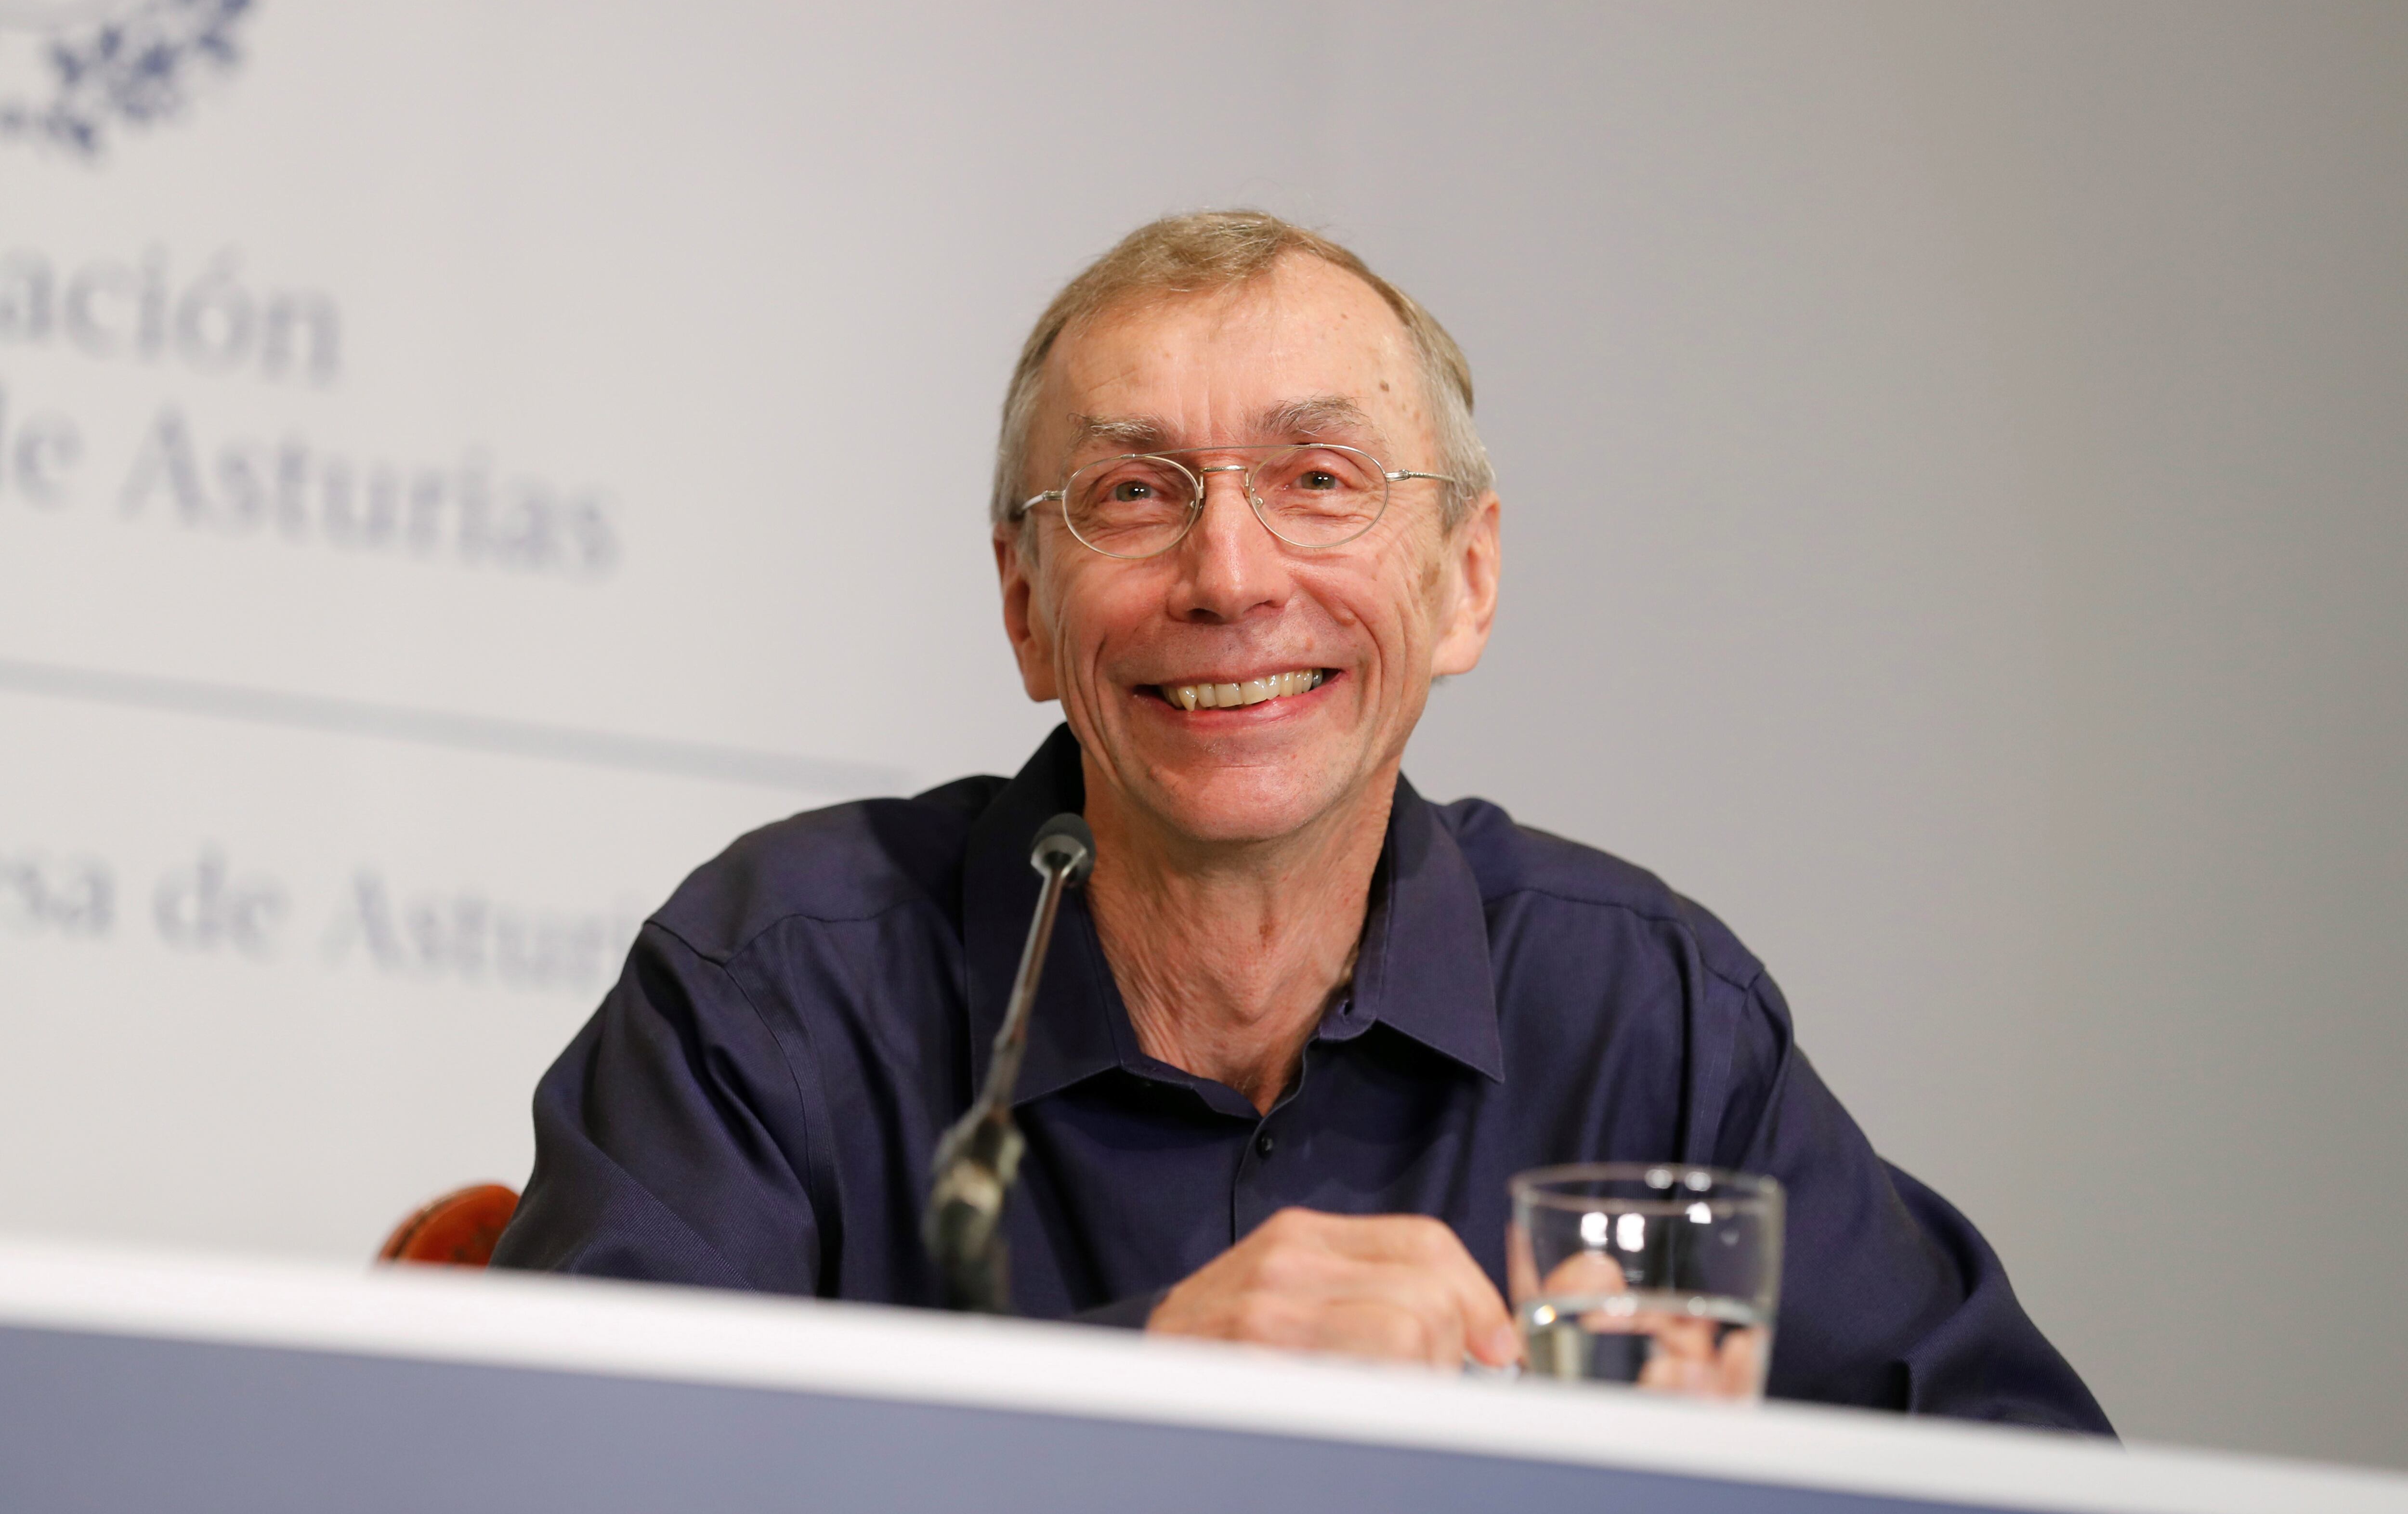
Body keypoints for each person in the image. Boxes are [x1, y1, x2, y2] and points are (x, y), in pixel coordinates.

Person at [492, 210, 2109, 1430]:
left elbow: (2035, 1513)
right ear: (1026, 607)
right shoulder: (770, 989)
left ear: (1464, 581)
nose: (1232, 576)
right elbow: (553, 1509)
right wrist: (1149, 1390)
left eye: (1322, 479)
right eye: (1135, 494)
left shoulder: (1646, 1021)